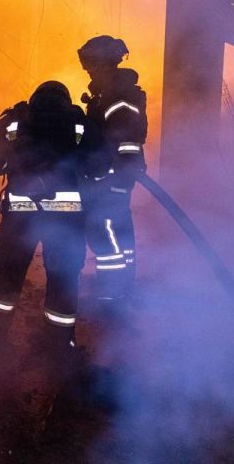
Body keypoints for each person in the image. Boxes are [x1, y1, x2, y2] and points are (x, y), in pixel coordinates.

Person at [0, 81, 110, 358]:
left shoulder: (17, 118)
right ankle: (58, 347)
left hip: (20, 214)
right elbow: (101, 168)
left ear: (35, 97)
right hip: (66, 217)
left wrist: (13, 161)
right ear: (65, 99)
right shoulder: (78, 122)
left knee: (9, 272)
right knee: (63, 279)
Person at [77, 35, 148, 302]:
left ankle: (112, 293)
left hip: (111, 178)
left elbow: (127, 141)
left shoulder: (118, 98)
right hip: (111, 176)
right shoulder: (108, 95)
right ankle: (123, 285)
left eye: (91, 64)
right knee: (119, 230)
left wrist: (116, 178)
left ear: (106, 63)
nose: (88, 70)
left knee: (102, 229)